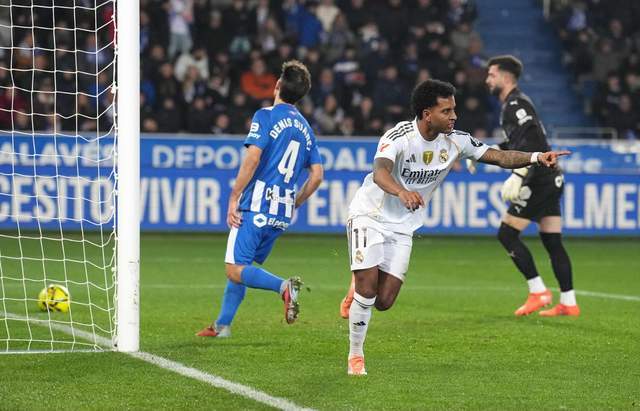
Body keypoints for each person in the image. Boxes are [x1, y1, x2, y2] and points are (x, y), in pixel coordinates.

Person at [339, 79, 569, 375]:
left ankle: (360, 279)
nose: (454, 116)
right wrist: (401, 191)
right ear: (427, 114)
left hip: (403, 226)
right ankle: (356, 355)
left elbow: (499, 156)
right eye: (446, 111)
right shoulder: (399, 136)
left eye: (454, 110)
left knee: (384, 301)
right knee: (368, 291)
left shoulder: (457, 141)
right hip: (370, 214)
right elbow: (380, 172)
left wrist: (536, 157)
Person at [197, 60, 324, 338]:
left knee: (234, 269)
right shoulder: (306, 129)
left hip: (256, 205)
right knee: (242, 264)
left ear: (277, 85)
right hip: (281, 212)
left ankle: (284, 287)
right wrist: (296, 202)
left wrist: (234, 196)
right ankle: (222, 325)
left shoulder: (266, 116)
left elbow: (253, 158)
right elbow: (317, 176)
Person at [484, 55, 580, 318]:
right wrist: (486, 152)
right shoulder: (514, 103)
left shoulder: (515, 103)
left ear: (505, 77)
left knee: (506, 234)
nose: (487, 80)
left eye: (491, 75)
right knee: (552, 240)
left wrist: (519, 173)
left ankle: (538, 291)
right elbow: (518, 142)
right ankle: (568, 302)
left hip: (538, 179)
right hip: (552, 178)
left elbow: (533, 140)